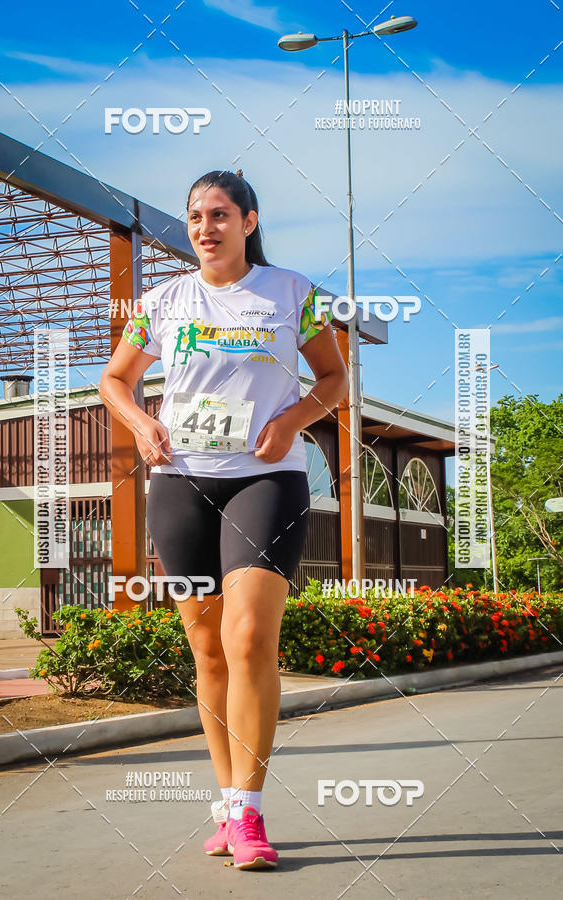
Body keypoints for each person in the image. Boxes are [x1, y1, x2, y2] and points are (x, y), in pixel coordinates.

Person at [99, 169, 348, 870]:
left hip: (266, 478)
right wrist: (143, 425)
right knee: (207, 649)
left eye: (219, 214)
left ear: (248, 221)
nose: (205, 227)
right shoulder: (161, 301)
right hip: (180, 479)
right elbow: (113, 379)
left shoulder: (291, 293)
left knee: (247, 640)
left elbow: (333, 378)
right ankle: (227, 802)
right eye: (195, 217)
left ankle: (249, 812)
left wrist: (292, 420)